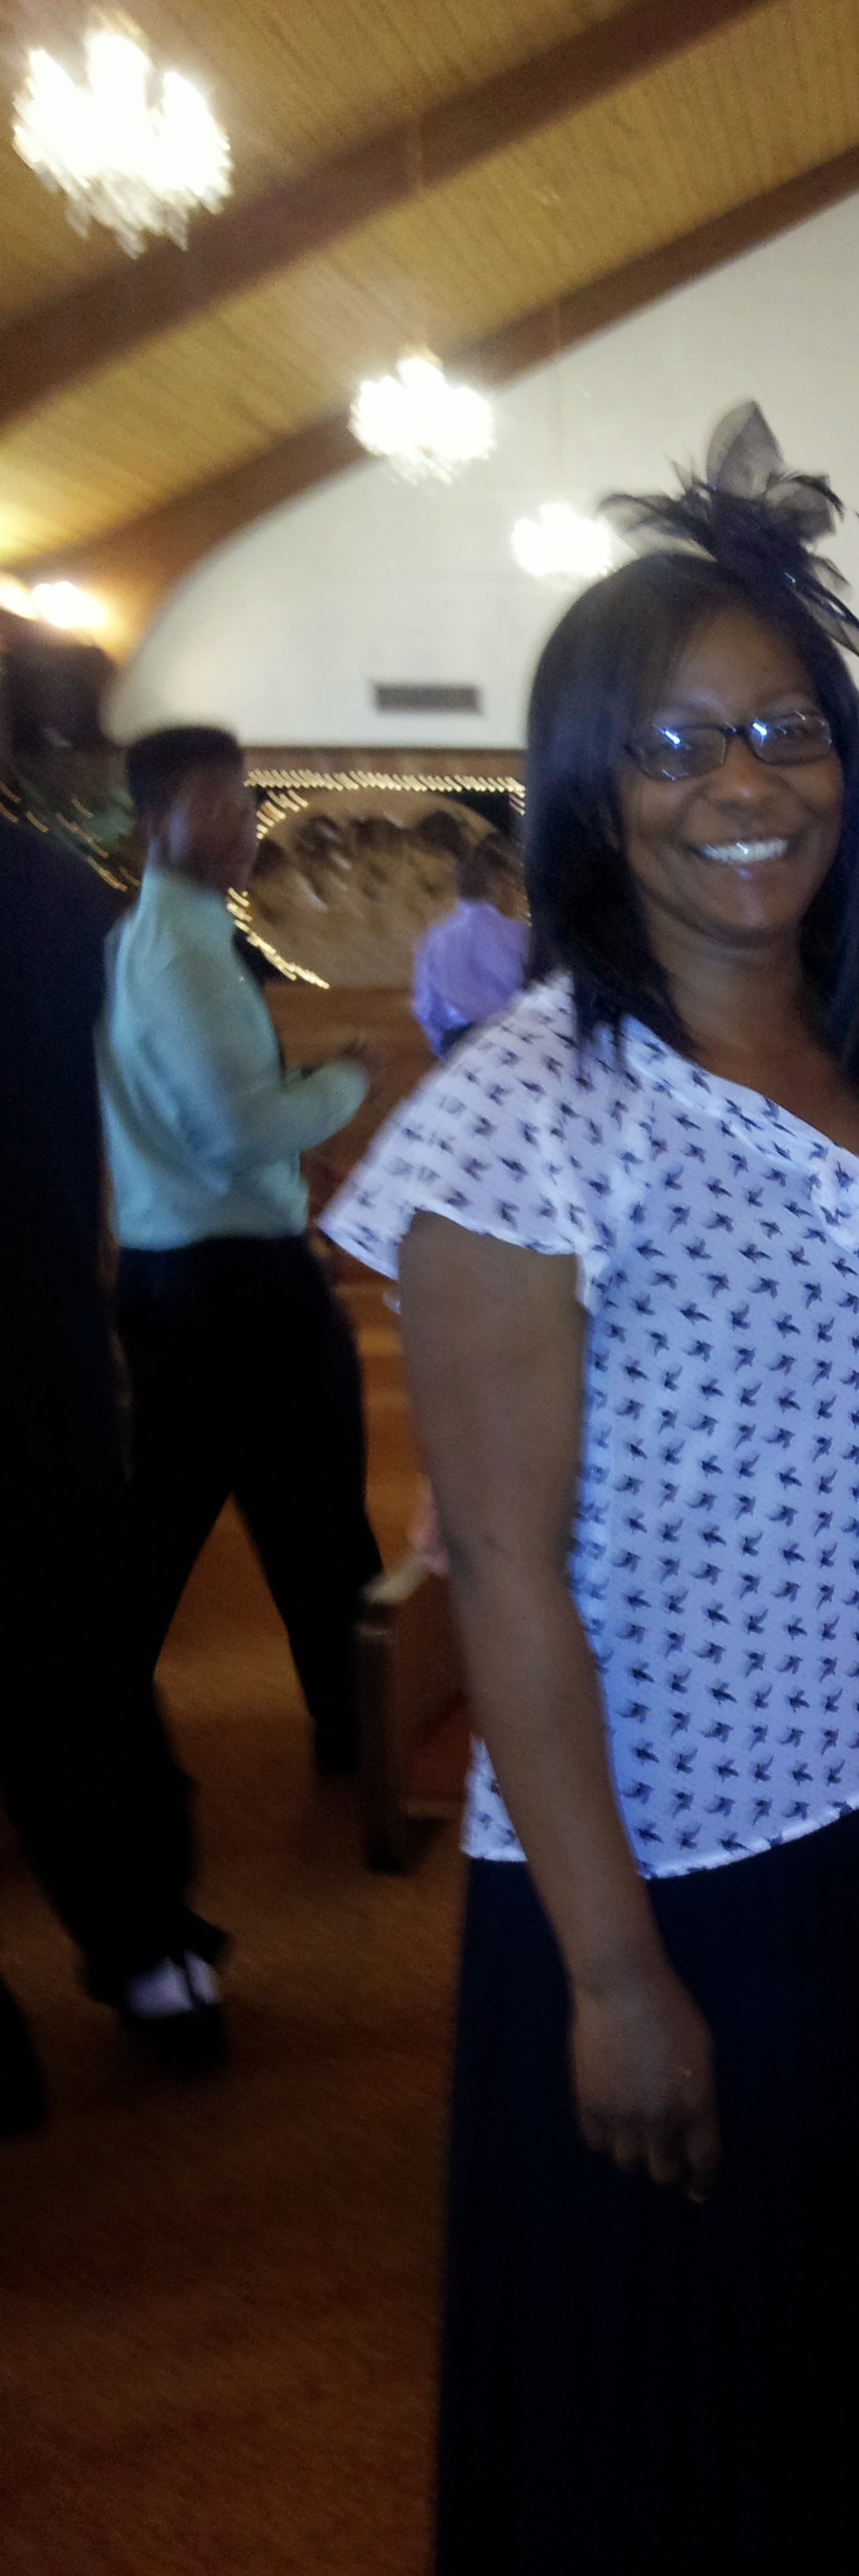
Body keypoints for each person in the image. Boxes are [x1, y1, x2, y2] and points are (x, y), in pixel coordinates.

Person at [323, 406, 859, 2575]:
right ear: (589, 791)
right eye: (673, 745)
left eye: (784, 730)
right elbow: (504, 1571)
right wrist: (614, 1975)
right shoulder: (534, 1108)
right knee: (685, 2443)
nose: (744, 783)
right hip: (673, 1869)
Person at [98, 725, 383, 1777]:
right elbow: (241, 1129)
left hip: (186, 1274)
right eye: (211, 806)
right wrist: (349, 1079)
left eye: (244, 802)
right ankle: (361, 1739)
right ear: (152, 825)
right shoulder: (183, 952)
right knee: (313, 1520)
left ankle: (81, 1734)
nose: (242, 827)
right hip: (234, 1289)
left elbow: (214, 1123)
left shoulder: (156, 939)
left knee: (182, 1521)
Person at [0, 816, 230, 2104]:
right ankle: (153, 1958)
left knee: (73, 1667)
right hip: (40, 1349)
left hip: (43, 1339)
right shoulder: (44, 882)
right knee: (78, 1674)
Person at [412, 832, 531, 1056]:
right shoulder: (520, 936)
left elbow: (426, 1010)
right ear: (498, 886)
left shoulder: (434, 939)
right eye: (512, 885)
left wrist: (444, 1053)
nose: (516, 895)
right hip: (513, 1043)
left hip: (456, 1046)